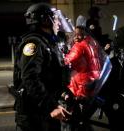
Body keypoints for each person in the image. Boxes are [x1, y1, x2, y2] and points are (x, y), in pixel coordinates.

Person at [12, 3, 71, 131]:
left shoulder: (48, 42)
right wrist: (50, 107)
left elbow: (51, 75)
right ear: (45, 20)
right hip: (35, 112)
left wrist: (64, 93)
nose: (58, 23)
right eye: (55, 19)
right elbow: (30, 78)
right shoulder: (33, 44)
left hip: (45, 107)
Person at [59, 26, 105, 131]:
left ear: (81, 35)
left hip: (81, 85)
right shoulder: (94, 44)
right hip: (94, 82)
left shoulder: (79, 46)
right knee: (83, 118)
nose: (74, 36)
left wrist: (62, 55)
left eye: (76, 34)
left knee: (73, 119)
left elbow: (66, 61)